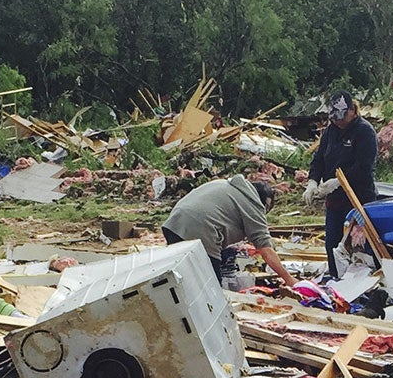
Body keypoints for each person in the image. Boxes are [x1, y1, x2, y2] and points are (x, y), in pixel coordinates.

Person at [161, 174, 300, 292]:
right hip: (202, 230)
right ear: (264, 203)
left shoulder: (226, 185)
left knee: (181, 278)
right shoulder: (253, 203)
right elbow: (264, 247)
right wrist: (289, 279)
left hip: (174, 223)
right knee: (211, 288)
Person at [305, 90, 378, 271]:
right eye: (335, 118)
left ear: (352, 110)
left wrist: (338, 181)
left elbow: (364, 167)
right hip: (335, 203)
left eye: (342, 117)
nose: (339, 122)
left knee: (358, 246)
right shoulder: (331, 132)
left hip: (358, 200)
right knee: (332, 245)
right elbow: (319, 159)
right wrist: (312, 182)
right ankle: (335, 280)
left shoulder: (364, 131)